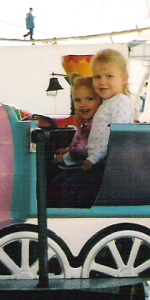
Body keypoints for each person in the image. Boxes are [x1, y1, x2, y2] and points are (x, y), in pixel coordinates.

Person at [48, 76, 102, 208]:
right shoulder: (85, 123)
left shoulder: (95, 124)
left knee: (69, 186)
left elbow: (84, 149)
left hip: (94, 170)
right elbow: (79, 142)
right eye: (78, 100)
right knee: (57, 181)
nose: (83, 104)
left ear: (100, 101)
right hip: (84, 166)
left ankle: (69, 218)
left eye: (89, 99)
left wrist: (65, 158)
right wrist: (68, 149)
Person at [82, 49, 135, 171]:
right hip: (99, 160)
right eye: (97, 77)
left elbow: (116, 136)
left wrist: (94, 158)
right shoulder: (107, 103)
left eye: (109, 76)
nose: (102, 82)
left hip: (109, 164)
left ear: (124, 79)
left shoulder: (120, 102)